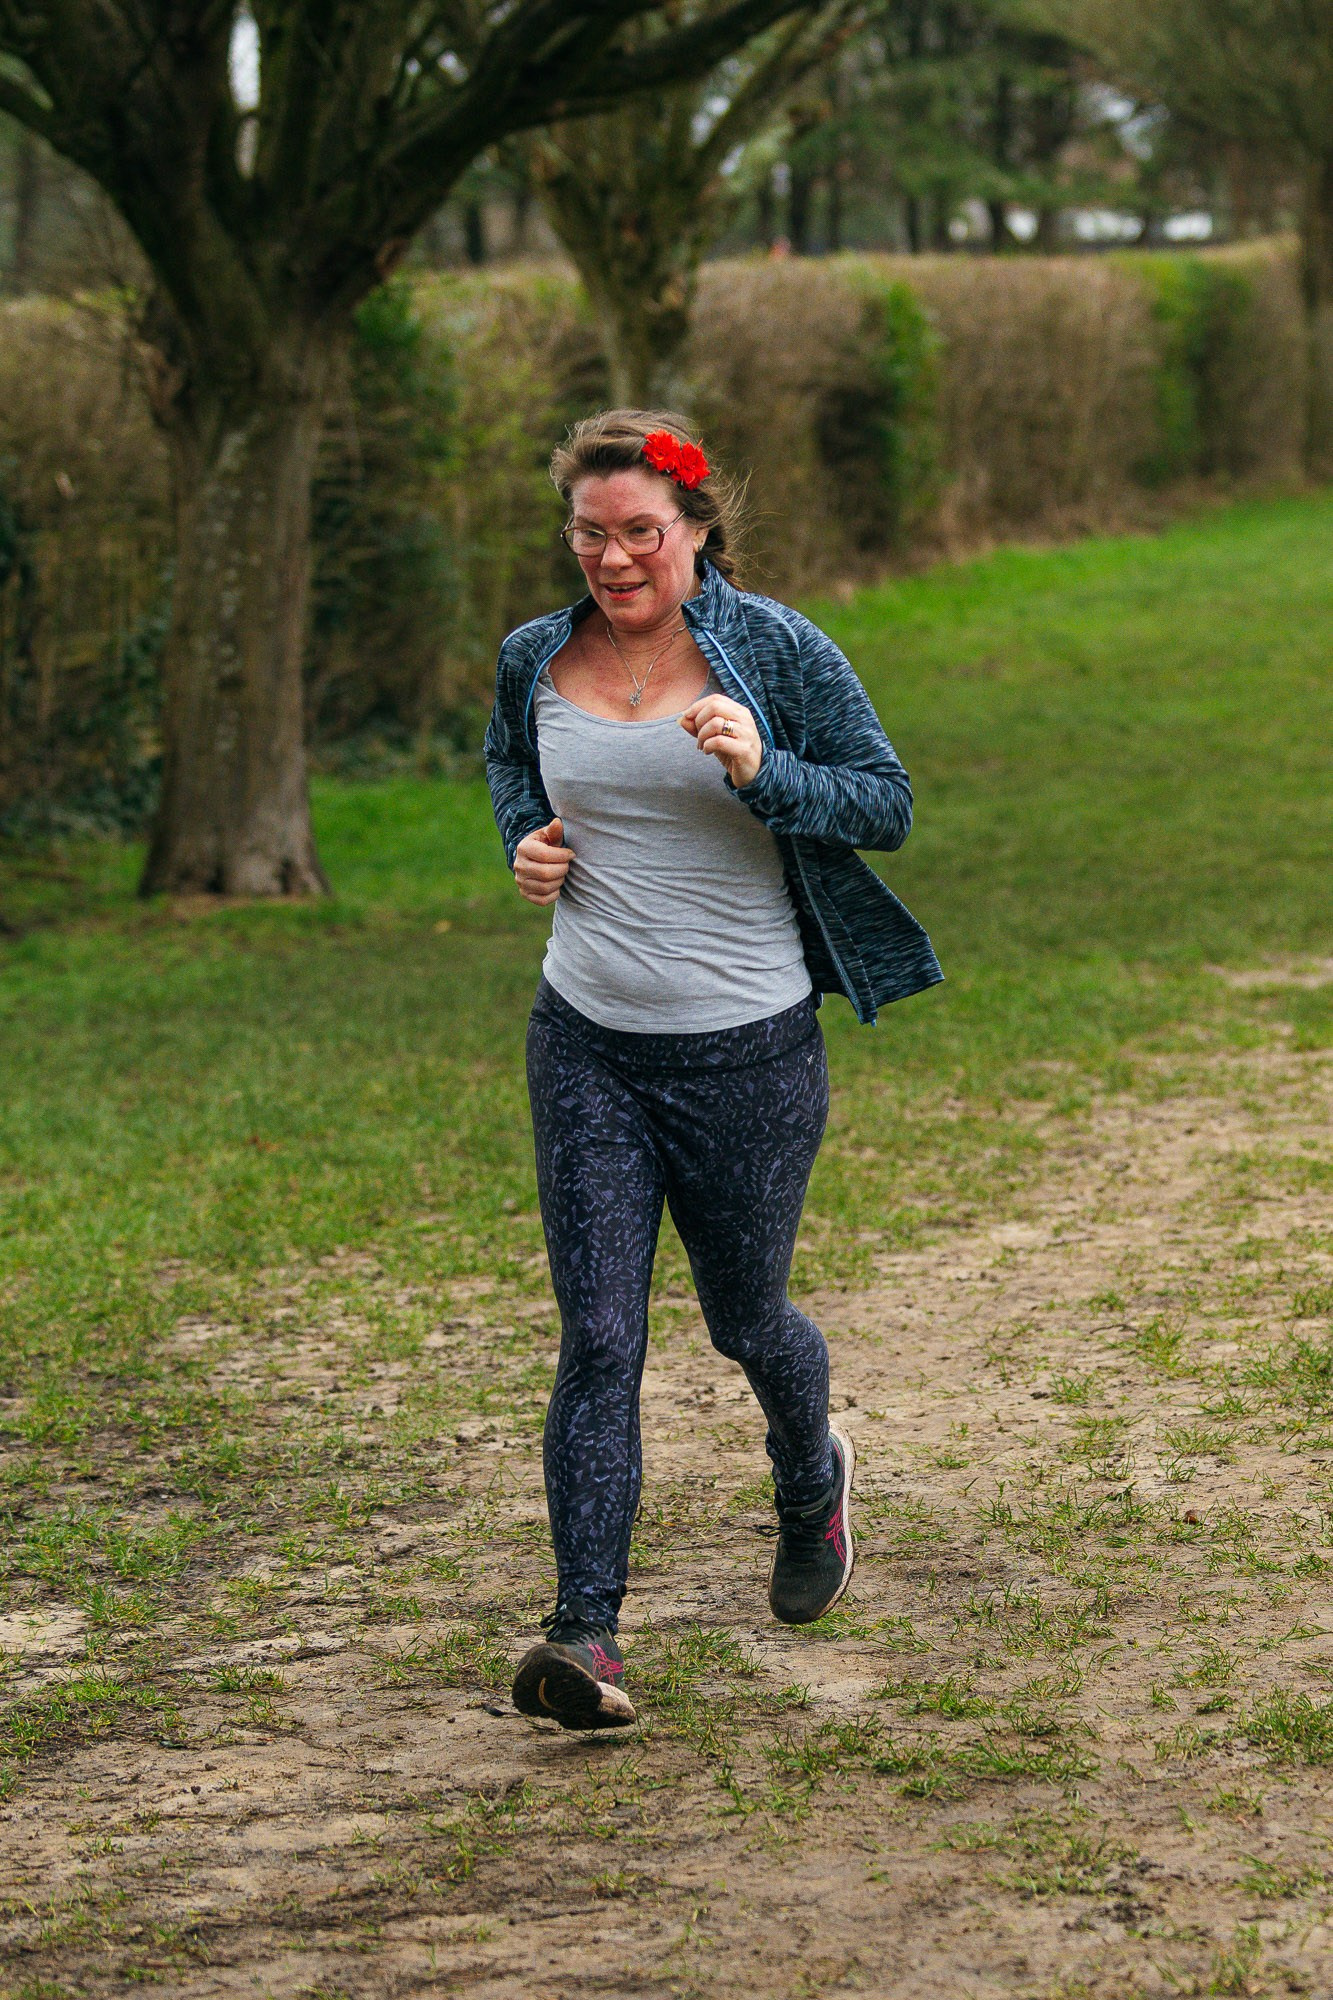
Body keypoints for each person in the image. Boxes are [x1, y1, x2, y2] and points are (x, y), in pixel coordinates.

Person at [484, 410, 941, 1732]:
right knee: (599, 1337)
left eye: (641, 530)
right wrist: (526, 842)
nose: (614, 557)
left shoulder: (778, 648)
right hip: (586, 1042)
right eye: (590, 533)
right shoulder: (533, 656)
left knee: (745, 1320)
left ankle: (809, 1471)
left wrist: (765, 769)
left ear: (693, 528)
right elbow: (514, 763)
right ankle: (586, 1634)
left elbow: (886, 802)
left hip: (747, 1048)